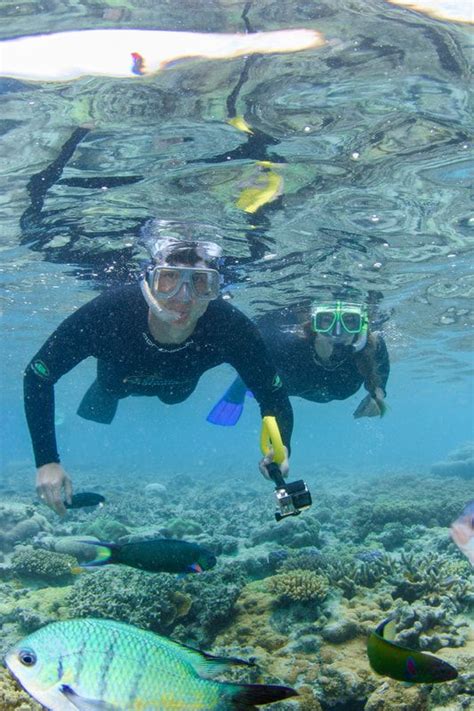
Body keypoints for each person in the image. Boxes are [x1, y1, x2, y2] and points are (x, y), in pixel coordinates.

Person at [24, 236, 293, 516]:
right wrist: (47, 462)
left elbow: (271, 393)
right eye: (168, 280)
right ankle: (107, 392)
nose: (183, 297)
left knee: (173, 397)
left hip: (179, 385)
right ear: (147, 284)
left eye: (201, 283)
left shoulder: (232, 328)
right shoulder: (108, 313)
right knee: (110, 389)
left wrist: (282, 447)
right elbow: (38, 375)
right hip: (117, 379)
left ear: (216, 289)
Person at [207, 300, 389, 426]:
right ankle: (240, 385)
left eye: (350, 321)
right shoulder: (287, 347)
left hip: (319, 391)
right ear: (314, 323)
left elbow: (381, 369)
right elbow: (250, 353)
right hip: (285, 384)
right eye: (326, 320)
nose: (338, 331)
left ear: (362, 325)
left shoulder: (372, 348)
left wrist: (377, 395)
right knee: (254, 375)